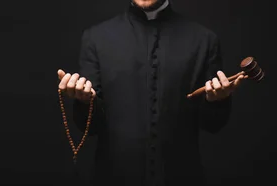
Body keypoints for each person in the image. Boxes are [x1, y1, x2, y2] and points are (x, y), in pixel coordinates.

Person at [57, 0, 245, 185]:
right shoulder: (95, 38)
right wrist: (83, 101)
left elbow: (213, 125)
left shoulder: (204, 40)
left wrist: (217, 101)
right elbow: (90, 128)